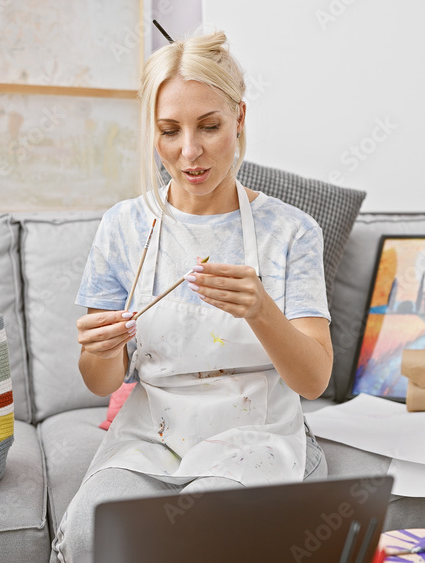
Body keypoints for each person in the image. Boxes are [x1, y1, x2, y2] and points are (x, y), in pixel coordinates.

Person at [52, 31, 333, 561]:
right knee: (95, 530)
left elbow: (313, 380)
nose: (189, 152)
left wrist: (260, 310)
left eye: (209, 126)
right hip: (151, 434)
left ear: (240, 119)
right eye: (169, 131)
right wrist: (101, 349)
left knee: (201, 533)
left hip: (256, 433)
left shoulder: (293, 231)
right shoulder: (124, 227)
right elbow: (99, 381)